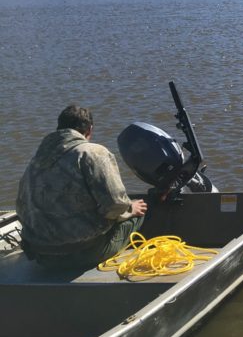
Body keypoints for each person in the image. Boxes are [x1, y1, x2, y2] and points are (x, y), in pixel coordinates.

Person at [16, 105, 147, 269]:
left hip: (41, 255)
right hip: (82, 253)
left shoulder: (36, 159)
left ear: (59, 128)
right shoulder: (92, 152)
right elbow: (116, 205)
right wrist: (131, 209)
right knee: (139, 210)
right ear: (89, 129)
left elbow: (20, 207)